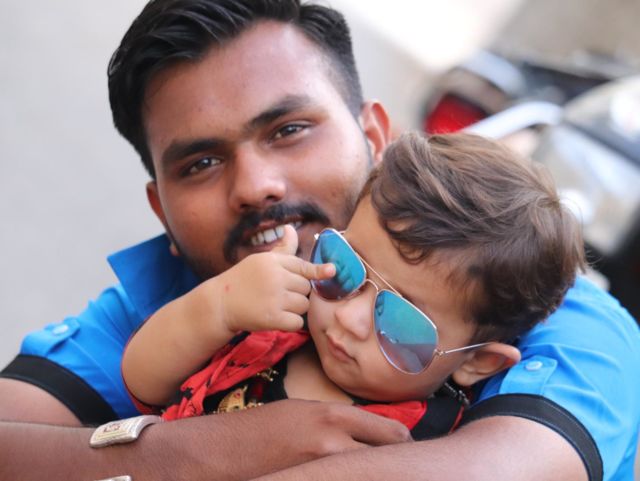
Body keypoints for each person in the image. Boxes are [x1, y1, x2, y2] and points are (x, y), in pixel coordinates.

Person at [0, 1, 638, 480]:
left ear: (374, 136)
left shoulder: (537, 304)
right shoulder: (180, 295)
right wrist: (187, 452)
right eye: (201, 163)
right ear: (161, 210)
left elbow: (497, 468)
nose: (256, 185)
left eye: (289, 129)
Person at [122, 131, 584, 443]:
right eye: (344, 265)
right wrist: (220, 308)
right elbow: (143, 382)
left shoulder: (417, 450)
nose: (348, 316)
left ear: (477, 361)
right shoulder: (273, 317)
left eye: (401, 321)